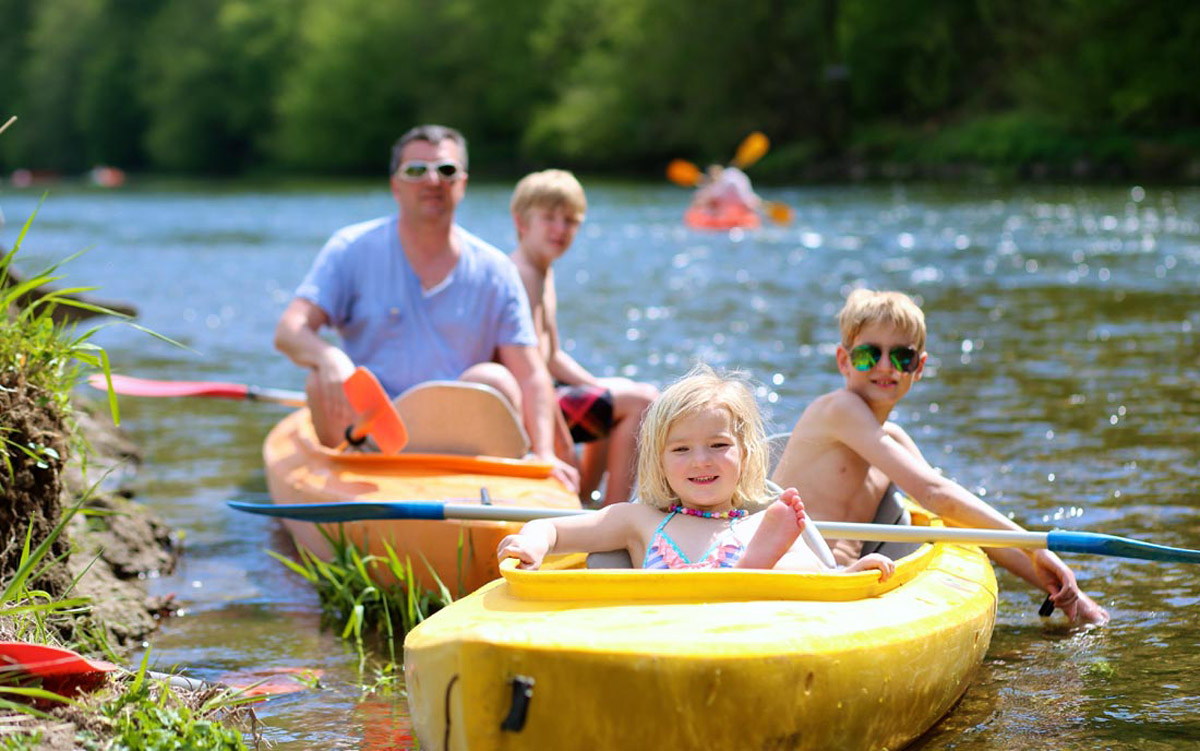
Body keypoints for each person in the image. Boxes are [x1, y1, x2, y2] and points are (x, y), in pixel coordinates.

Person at [771, 289, 1110, 625]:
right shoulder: (839, 409)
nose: (886, 366)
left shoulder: (895, 442)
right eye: (869, 355)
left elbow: (961, 524)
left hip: (843, 580)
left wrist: (1068, 594)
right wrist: (1037, 546)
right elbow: (937, 494)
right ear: (845, 361)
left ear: (918, 367)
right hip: (788, 571)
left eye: (902, 357)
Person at [274, 124, 578, 491]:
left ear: (462, 184)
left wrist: (544, 452)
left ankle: (488, 497)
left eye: (446, 170)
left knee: (495, 379)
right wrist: (328, 358)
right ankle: (347, 486)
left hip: (460, 443)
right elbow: (289, 330)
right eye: (416, 171)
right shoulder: (351, 248)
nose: (433, 180)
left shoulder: (497, 270)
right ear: (395, 186)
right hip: (370, 435)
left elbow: (530, 375)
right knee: (318, 378)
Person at [498, 365, 896, 577]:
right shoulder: (639, 519)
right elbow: (552, 527)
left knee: (790, 559)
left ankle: (746, 576)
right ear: (659, 461)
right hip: (669, 634)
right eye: (682, 449)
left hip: (740, 635)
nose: (701, 461)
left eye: (719, 446)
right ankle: (743, 575)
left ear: (745, 455)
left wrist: (849, 575)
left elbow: (817, 580)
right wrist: (531, 542)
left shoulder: (765, 524)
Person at [509, 169, 658, 506]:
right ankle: (614, 512)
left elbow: (551, 356)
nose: (560, 229)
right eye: (549, 218)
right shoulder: (522, 275)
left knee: (614, 396)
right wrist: (560, 443)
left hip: (542, 392)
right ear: (521, 222)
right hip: (524, 405)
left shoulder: (541, 271)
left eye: (570, 221)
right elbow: (527, 367)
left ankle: (586, 500)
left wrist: (599, 388)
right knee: (642, 400)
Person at [691, 164, 761, 215]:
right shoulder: (706, 189)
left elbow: (749, 201)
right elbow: (698, 204)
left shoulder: (730, 185)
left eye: (716, 173)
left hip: (735, 215)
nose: (714, 176)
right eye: (713, 174)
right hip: (717, 217)